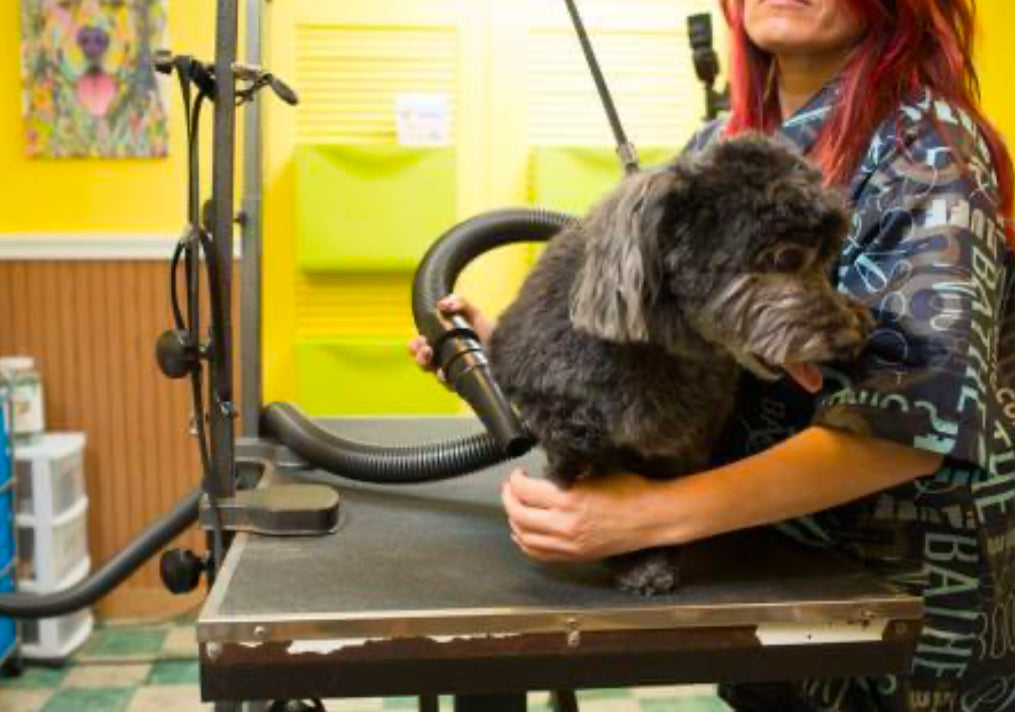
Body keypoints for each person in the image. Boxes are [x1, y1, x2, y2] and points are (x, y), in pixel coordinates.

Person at [408, 0, 1015, 708]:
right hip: (763, 566)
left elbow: (906, 432)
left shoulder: (927, 151)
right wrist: (513, 353)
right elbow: (672, 331)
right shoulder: (722, 145)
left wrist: (646, 517)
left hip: (900, 596)